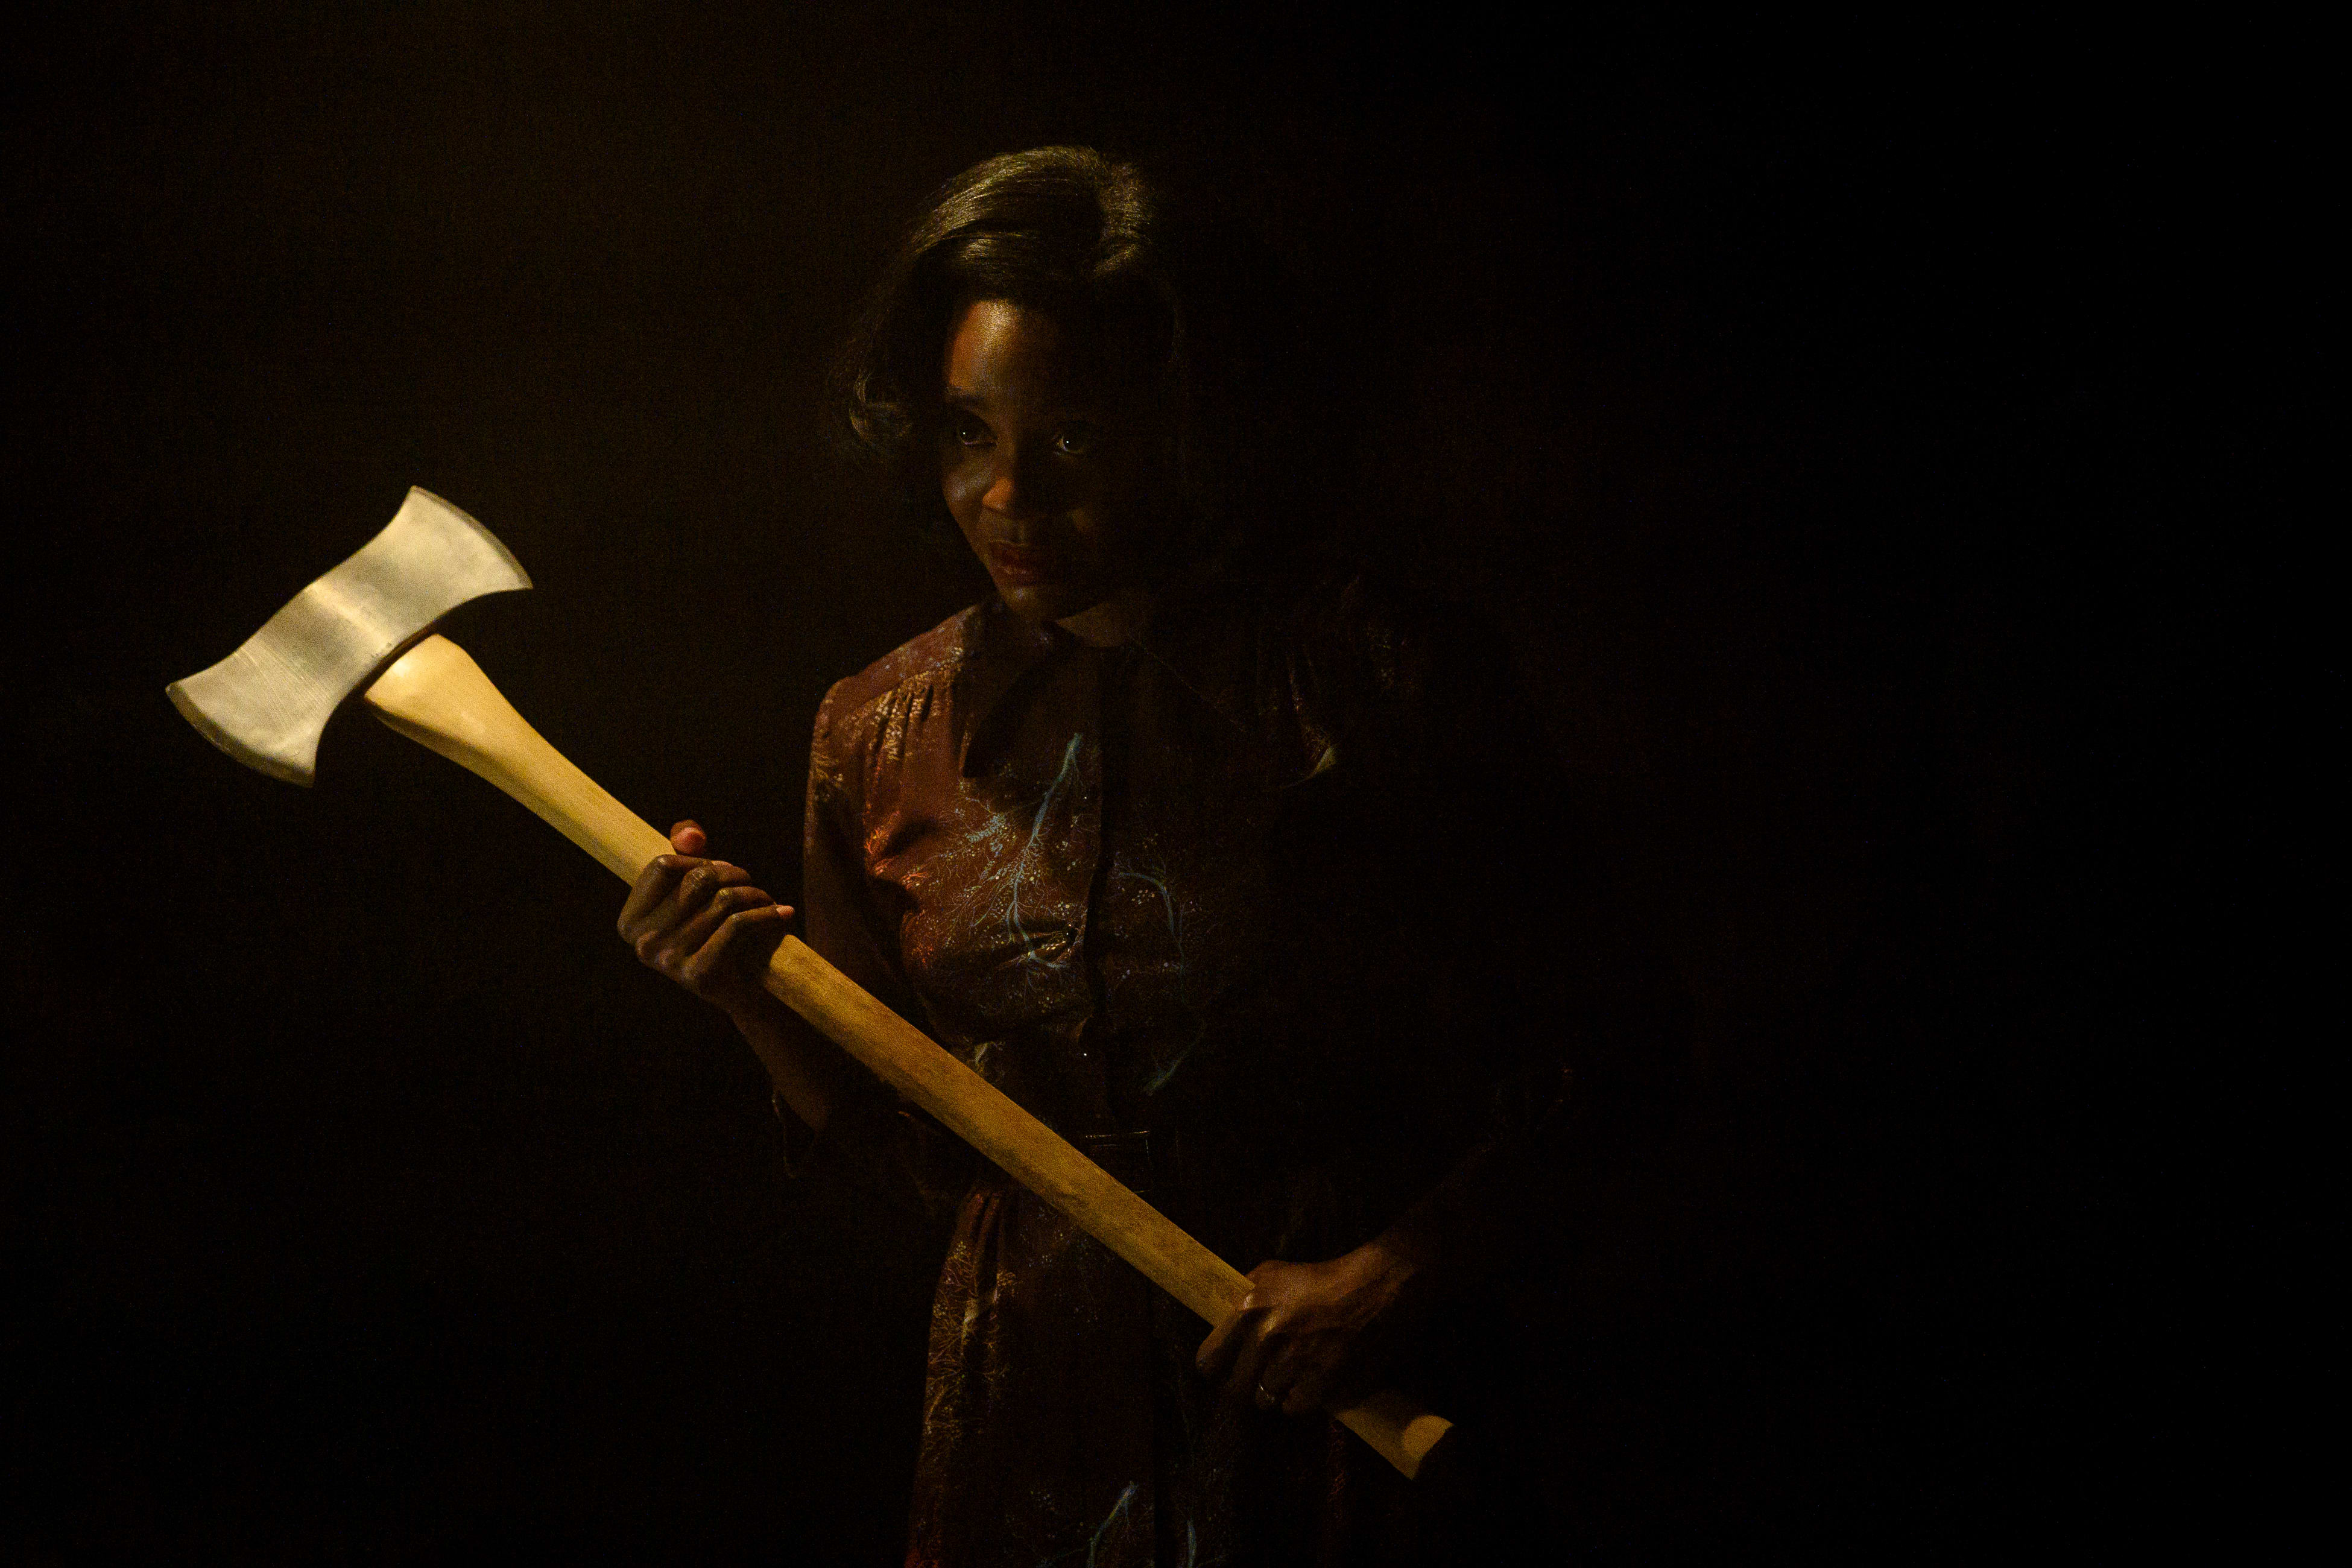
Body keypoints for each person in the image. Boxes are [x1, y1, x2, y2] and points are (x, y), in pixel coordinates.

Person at [616, 147, 1642, 1566]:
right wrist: (745, 996)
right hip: (1031, 1445)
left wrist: (1400, 1271)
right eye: (967, 431)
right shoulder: (877, 732)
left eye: (1075, 437)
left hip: (1337, 1432)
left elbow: (1613, 1053)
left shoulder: (1377, 681)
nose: (1006, 494)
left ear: (1189, 425)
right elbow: (913, 1161)